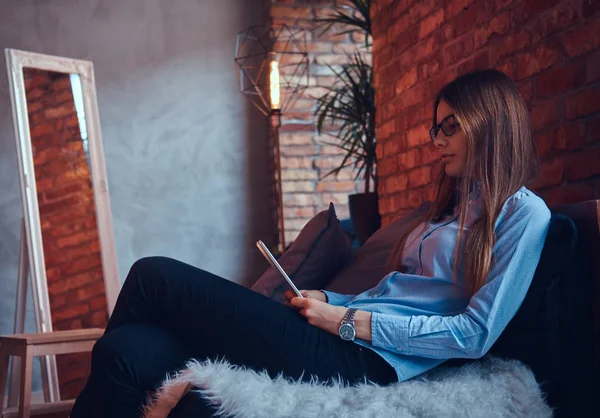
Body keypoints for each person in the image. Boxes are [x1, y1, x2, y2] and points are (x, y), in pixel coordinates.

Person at [71, 69, 551, 417]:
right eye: (436, 127)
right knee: (129, 349)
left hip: (366, 357)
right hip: (340, 331)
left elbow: (473, 335)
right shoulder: (447, 208)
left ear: (489, 122)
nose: (437, 140)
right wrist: (331, 299)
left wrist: (345, 322)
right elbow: (387, 294)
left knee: (152, 275)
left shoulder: (524, 214)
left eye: (450, 126)